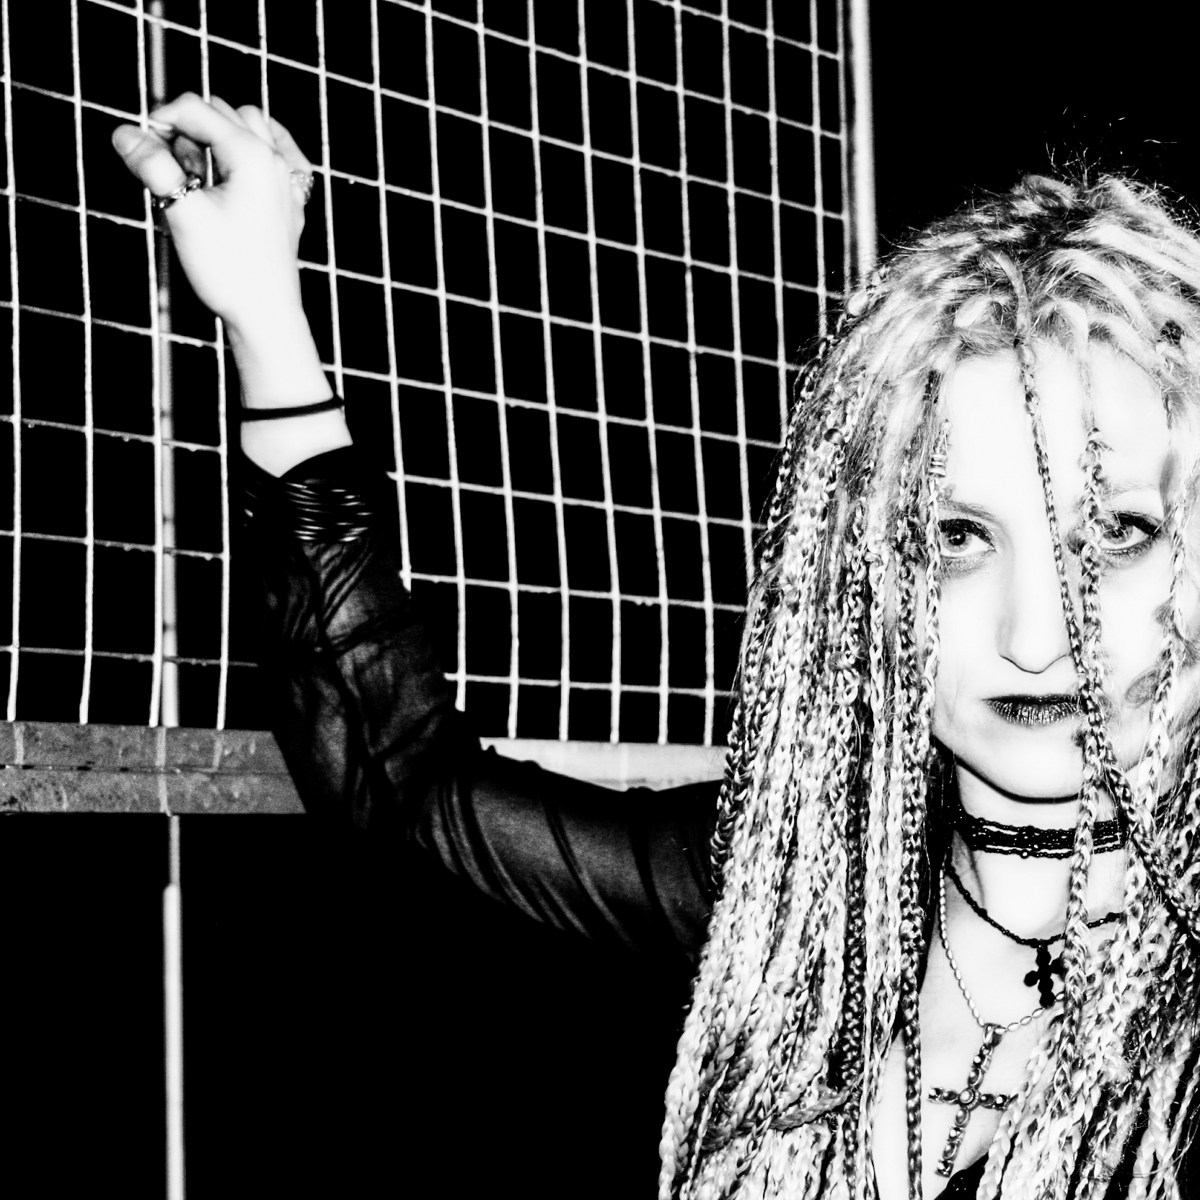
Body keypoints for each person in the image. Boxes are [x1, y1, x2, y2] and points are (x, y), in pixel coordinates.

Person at [111, 94, 1200, 1199]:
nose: (1034, 635)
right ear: (870, 567)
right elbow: (403, 789)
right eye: (959, 537)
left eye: (1119, 532)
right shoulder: (801, 889)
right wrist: (265, 318)